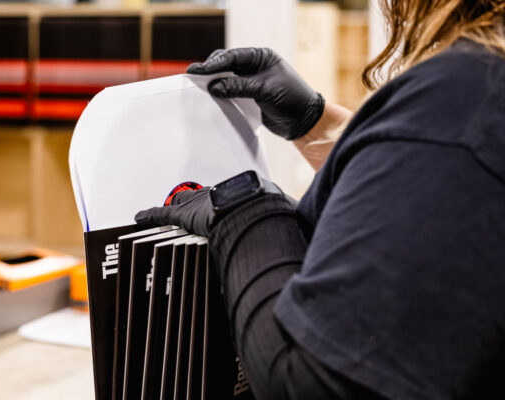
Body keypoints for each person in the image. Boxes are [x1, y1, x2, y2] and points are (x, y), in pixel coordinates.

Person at [135, 1, 505, 399]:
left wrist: (245, 212)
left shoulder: (472, 96)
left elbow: (308, 383)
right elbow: (447, 196)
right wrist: (317, 126)